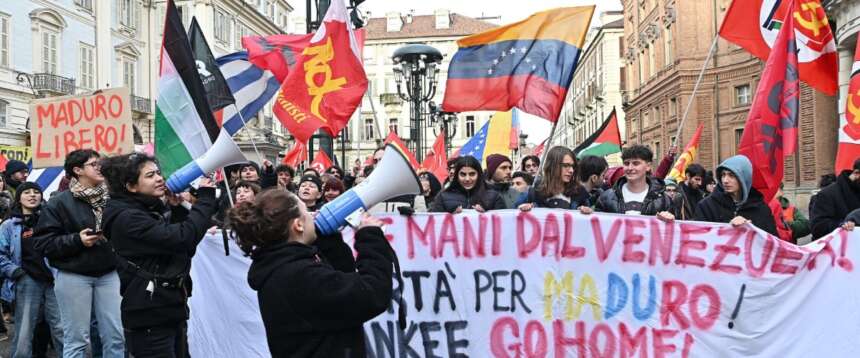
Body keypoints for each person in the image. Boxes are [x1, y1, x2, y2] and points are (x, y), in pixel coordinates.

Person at [229, 190, 394, 357]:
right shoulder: (300, 275)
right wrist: (371, 236)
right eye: (306, 212)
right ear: (298, 225)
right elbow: (373, 291)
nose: (312, 215)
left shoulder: (282, 265)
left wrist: (329, 241)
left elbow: (343, 277)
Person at [99, 153, 218, 357]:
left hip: (167, 308)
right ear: (131, 186)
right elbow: (183, 238)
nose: (160, 178)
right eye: (150, 175)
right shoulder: (128, 218)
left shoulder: (145, 210)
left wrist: (177, 210)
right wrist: (205, 200)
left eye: (158, 173)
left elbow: (180, 248)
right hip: (150, 317)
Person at [32, 149, 125, 358]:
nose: (100, 167)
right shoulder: (58, 203)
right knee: (77, 341)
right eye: (94, 164)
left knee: (116, 336)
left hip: (109, 273)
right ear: (77, 170)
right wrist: (77, 240)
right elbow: (42, 243)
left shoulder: (113, 198)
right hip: (74, 276)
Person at [0, 182, 64, 358]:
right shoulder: (8, 225)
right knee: (24, 330)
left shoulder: (51, 220)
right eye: (26, 192)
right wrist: (15, 272)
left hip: (54, 279)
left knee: (61, 328)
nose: (32, 195)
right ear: (19, 198)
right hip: (26, 281)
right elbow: (0, 255)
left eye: (36, 191)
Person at [694, 155, 778, 236]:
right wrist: (728, 229)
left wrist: (752, 231)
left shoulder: (761, 209)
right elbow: (699, 239)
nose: (725, 180)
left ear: (744, 178)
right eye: (723, 175)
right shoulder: (706, 206)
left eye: (731, 175)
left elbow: (772, 244)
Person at [595, 145, 675, 221]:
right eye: (626, 163)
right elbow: (596, 226)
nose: (630, 168)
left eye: (636, 163)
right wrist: (587, 214)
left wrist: (669, 219)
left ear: (648, 166)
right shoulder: (606, 198)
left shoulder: (664, 201)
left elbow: (674, 231)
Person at [517, 146, 592, 212]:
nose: (571, 170)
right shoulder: (533, 192)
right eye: (566, 165)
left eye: (573, 166)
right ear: (552, 166)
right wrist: (524, 209)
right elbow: (512, 214)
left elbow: (591, 221)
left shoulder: (580, 192)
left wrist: (583, 212)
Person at [430, 156, 505, 213]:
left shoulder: (494, 197)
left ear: (479, 175)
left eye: (472, 174)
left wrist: (486, 216)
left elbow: (503, 224)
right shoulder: (443, 197)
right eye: (463, 174)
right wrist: (451, 219)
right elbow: (434, 224)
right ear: (457, 176)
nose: (467, 179)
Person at [810, 159, 860, 239]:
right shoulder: (827, 194)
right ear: (857, 173)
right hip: (839, 248)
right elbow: (817, 227)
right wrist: (842, 225)